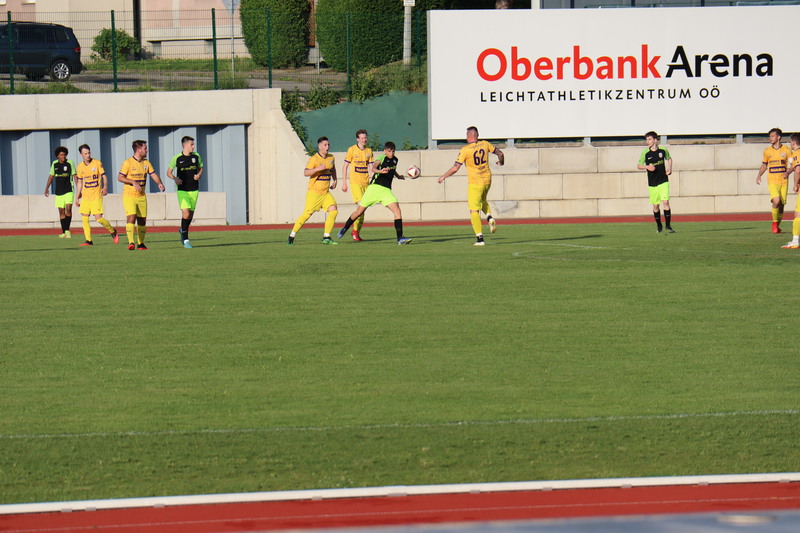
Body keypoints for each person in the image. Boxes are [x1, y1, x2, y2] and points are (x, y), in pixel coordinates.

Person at [437, 126, 504, 246]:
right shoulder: (485, 144)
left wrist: (443, 176)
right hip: (487, 180)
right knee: (483, 200)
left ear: (468, 136)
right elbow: (500, 153)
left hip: (475, 182)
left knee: (474, 210)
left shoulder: (465, 150)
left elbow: (455, 168)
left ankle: (480, 239)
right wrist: (500, 162)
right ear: (477, 135)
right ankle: (489, 217)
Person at [337, 141, 412, 245]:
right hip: (374, 188)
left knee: (397, 210)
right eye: (389, 151)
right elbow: (373, 168)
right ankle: (345, 227)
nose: (391, 153)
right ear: (385, 151)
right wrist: (381, 171)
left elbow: (392, 169)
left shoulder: (395, 160)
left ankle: (400, 238)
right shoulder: (382, 158)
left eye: (393, 151)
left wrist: (398, 176)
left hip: (386, 190)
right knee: (359, 211)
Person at [287, 136, 339, 245]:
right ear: (319, 146)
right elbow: (306, 173)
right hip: (314, 193)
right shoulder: (314, 159)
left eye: (328, 145)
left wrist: (335, 180)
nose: (327, 147)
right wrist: (317, 169)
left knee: (333, 211)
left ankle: (326, 237)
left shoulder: (331, 157)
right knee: (307, 215)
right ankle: (292, 235)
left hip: (325, 193)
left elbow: (333, 169)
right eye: (325, 145)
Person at [117, 140, 166, 250]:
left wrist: (159, 183)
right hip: (129, 195)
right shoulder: (128, 163)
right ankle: (131, 242)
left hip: (141, 196)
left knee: (142, 220)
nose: (147, 150)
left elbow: (153, 174)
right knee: (131, 217)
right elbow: (120, 177)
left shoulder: (146, 163)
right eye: (145, 148)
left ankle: (141, 243)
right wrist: (133, 182)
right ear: (139, 150)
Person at [74, 144, 118, 246]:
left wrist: (105, 187)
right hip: (86, 196)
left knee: (99, 219)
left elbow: (104, 176)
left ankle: (113, 231)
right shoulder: (80, 166)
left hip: (96, 196)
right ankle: (88, 240)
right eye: (85, 153)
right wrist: (77, 196)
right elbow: (80, 182)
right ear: (81, 155)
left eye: (89, 153)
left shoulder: (97, 163)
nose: (88, 155)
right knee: (84, 217)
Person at [167, 136, 204, 249]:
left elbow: (201, 168)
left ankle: (182, 230)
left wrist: (199, 175)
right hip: (182, 190)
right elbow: (169, 172)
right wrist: (175, 179)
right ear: (185, 145)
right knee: (186, 213)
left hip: (194, 189)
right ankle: (186, 240)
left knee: (190, 215)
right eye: (191, 144)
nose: (193, 146)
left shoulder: (196, 156)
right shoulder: (177, 158)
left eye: (193, 144)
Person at [755, 127, 793, 234]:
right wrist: (759, 175)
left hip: (783, 181)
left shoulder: (786, 150)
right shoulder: (767, 151)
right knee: (776, 200)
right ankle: (775, 224)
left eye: (772, 136)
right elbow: (764, 165)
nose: (770, 138)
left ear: (779, 137)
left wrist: (788, 172)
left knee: (781, 205)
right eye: (770, 136)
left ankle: (777, 225)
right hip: (772, 180)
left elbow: (793, 165)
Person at [637, 131, 674, 233]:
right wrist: (647, 167)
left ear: (655, 140)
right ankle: (659, 225)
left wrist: (670, 168)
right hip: (653, 183)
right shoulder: (645, 153)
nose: (647, 142)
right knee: (656, 205)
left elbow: (669, 159)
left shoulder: (663, 150)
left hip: (663, 181)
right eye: (646, 140)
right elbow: (639, 165)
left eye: (649, 139)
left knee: (665, 202)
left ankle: (668, 226)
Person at [340, 129, 374, 241]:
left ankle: (356, 232)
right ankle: (353, 231)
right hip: (355, 183)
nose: (364, 140)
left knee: (363, 210)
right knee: (361, 207)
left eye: (365, 138)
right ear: (357, 139)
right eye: (362, 138)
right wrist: (344, 182)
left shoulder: (369, 151)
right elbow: (345, 166)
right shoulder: (352, 150)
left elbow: (371, 168)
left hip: (366, 183)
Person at [43, 146, 77, 238]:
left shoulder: (70, 163)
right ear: (57, 156)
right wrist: (47, 188)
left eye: (64, 155)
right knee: (61, 211)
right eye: (61, 155)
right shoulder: (54, 164)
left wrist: (79, 189)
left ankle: (67, 230)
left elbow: (75, 176)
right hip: (59, 191)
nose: (63, 157)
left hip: (69, 190)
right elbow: (51, 176)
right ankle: (63, 232)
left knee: (68, 208)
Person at [781, 132, 800, 249]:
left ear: (793, 143)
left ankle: (795, 240)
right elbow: (794, 166)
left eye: (790, 142)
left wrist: (796, 184)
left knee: (798, 214)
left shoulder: (797, 153)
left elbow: (798, 170)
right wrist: (788, 172)